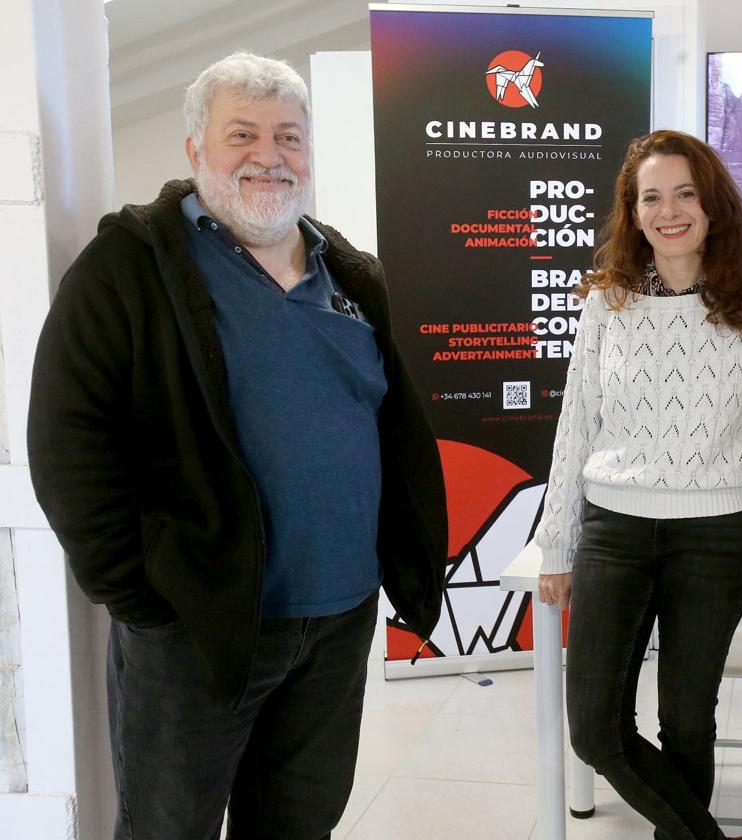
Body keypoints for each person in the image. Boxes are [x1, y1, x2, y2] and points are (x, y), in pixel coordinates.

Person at [27, 51, 447, 839]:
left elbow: (387, 424)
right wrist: (139, 595)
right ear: (195, 149)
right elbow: (66, 438)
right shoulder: (130, 266)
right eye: (243, 134)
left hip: (338, 617)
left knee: (299, 824)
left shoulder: (349, 272)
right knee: (169, 828)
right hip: (200, 624)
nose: (269, 155)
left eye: (289, 137)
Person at [534, 129, 742, 840]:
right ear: (632, 213)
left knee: (687, 722)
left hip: (715, 538)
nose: (669, 211)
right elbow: (577, 422)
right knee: (596, 729)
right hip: (612, 534)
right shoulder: (608, 301)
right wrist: (556, 545)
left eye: (684, 193)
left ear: (712, 203)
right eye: (650, 197)